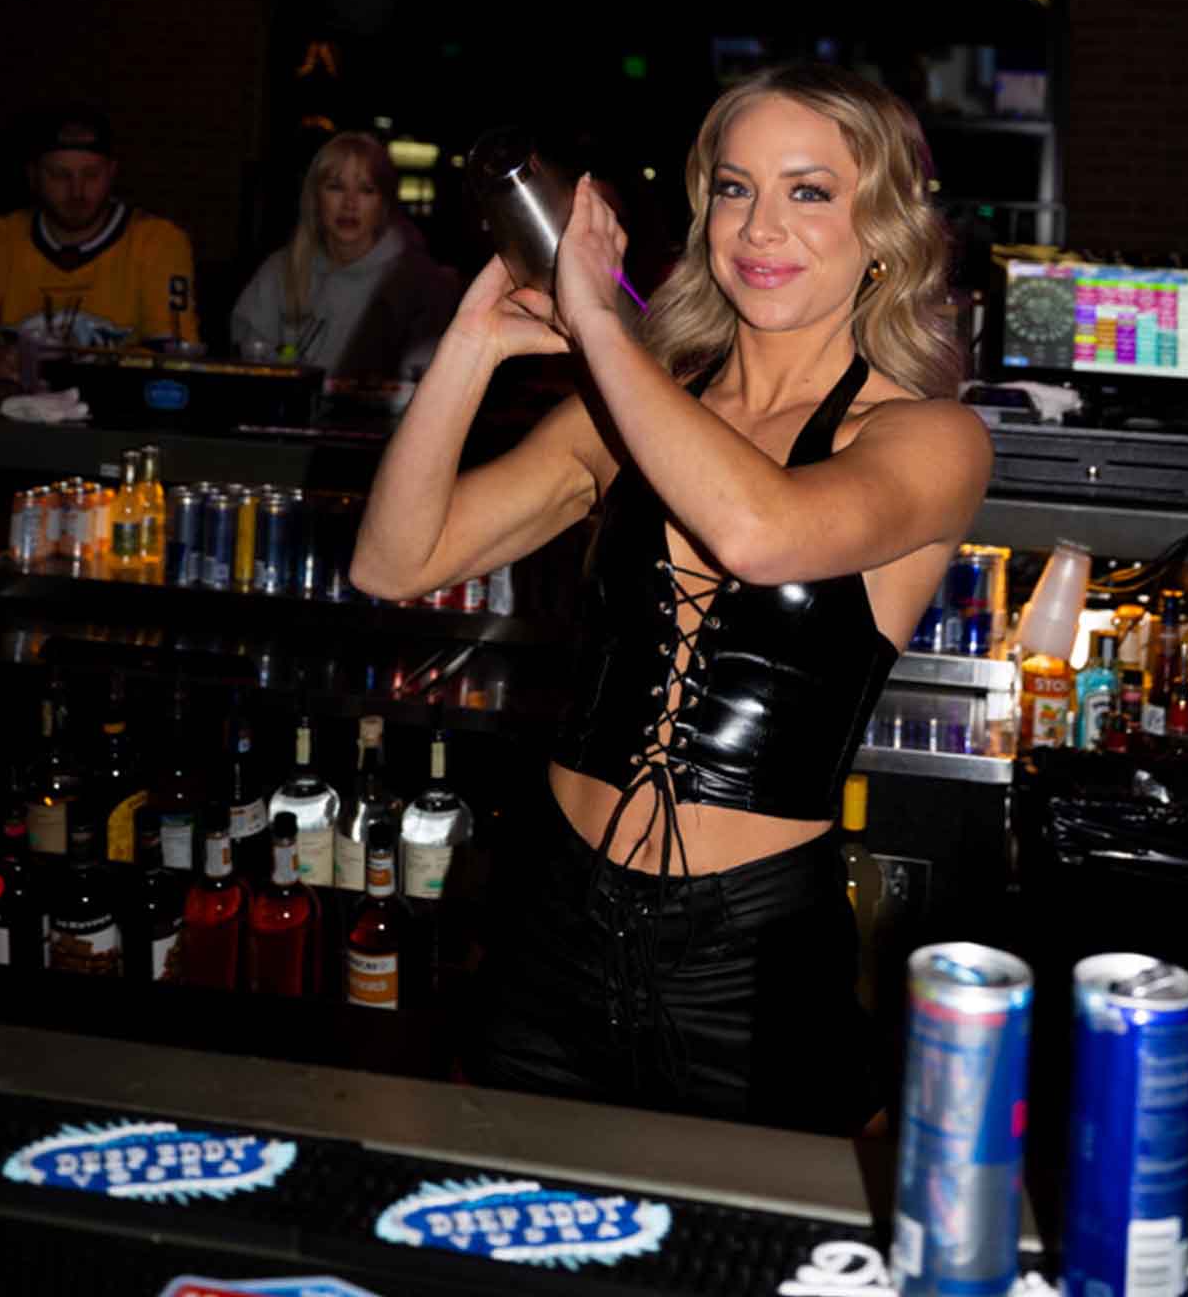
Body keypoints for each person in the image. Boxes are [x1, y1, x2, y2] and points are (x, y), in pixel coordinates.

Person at [350, 64, 993, 1134]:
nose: (760, 226)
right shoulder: (643, 408)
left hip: (747, 958)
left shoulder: (927, 436)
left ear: (880, 227)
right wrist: (472, 343)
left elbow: (760, 531)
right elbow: (394, 560)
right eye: (734, 188)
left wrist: (598, 326)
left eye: (808, 191)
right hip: (549, 913)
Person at [0, 105, 200, 380]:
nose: (77, 191)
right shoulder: (0, 238)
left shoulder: (158, 240)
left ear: (112, 172)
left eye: (91, 175)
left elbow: (175, 348)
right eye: (60, 175)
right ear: (33, 175)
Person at [230, 131, 460, 379]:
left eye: (366, 190)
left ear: (384, 204)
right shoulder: (278, 271)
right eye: (336, 187)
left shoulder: (419, 283)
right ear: (316, 198)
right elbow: (249, 362)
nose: (350, 203)